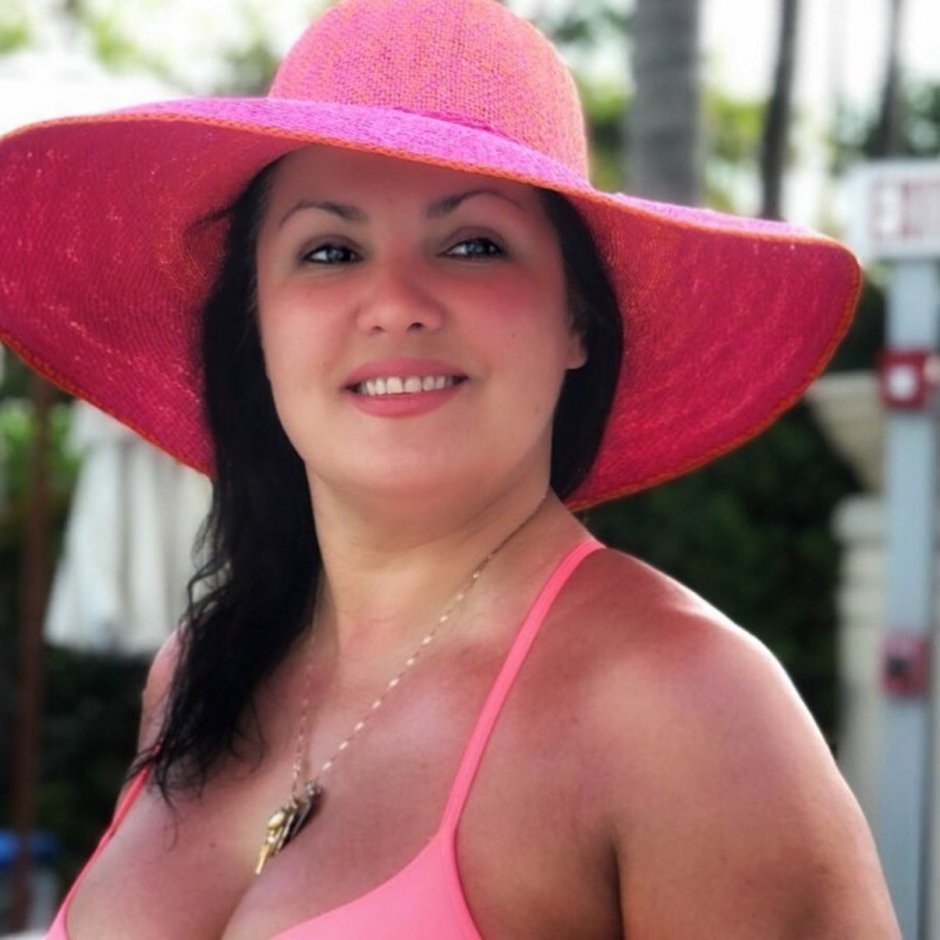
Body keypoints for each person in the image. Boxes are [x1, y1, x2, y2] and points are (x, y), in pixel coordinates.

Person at [0, 0, 900, 937]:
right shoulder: (198, 672)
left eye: (474, 245)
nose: (395, 302)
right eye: (330, 251)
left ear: (578, 320)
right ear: (255, 324)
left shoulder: (681, 706)